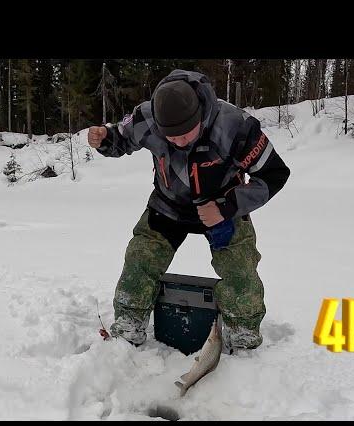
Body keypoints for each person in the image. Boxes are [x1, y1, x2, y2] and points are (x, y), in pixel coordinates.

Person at [88, 69, 290, 351]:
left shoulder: (235, 126)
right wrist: (105, 138)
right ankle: (128, 325)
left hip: (220, 210)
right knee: (140, 257)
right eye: (171, 137)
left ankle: (243, 334)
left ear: (200, 117)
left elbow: (274, 174)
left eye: (185, 135)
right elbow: (120, 139)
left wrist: (227, 206)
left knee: (241, 270)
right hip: (168, 206)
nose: (178, 142)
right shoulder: (147, 117)